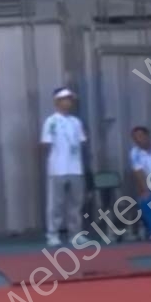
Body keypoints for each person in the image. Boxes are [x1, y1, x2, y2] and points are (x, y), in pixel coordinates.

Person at [40, 87, 87, 246]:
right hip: (58, 169)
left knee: (76, 203)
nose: (69, 102)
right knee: (56, 204)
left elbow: (81, 142)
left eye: (70, 99)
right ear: (57, 102)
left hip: (75, 168)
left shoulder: (76, 122)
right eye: (65, 99)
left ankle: (76, 234)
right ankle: (53, 233)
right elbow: (46, 143)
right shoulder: (51, 121)